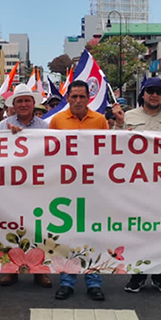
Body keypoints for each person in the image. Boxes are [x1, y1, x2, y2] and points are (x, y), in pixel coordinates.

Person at [112, 77, 161, 295]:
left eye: (158, 92)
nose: (154, 95)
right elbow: (113, 144)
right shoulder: (129, 116)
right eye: (150, 91)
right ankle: (138, 274)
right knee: (138, 230)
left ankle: (160, 275)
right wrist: (119, 123)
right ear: (142, 94)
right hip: (135, 183)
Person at [49, 80, 108, 301]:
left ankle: (93, 281)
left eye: (81, 97)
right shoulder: (57, 120)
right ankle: (67, 281)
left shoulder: (100, 120)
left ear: (88, 98)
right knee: (69, 235)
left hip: (93, 187)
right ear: (68, 98)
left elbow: (107, 152)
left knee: (93, 235)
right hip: (66, 187)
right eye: (73, 97)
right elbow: (47, 150)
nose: (77, 101)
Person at [0, 84, 52, 289]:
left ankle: (39, 272)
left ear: (33, 103)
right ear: (14, 105)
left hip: (37, 184)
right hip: (11, 184)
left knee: (38, 228)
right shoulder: (2, 127)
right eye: (19, 101)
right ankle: (11, 270)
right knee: (10, 226)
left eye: (27, 100)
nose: (24, 104)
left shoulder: (45, 127)